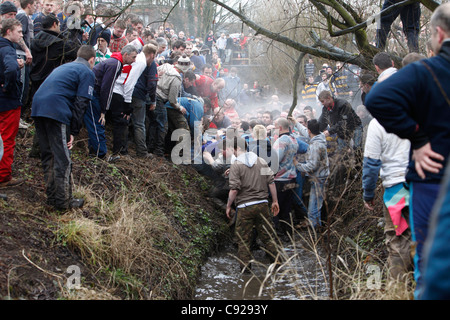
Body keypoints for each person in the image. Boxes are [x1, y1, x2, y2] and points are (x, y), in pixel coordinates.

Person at [365, 2, 450, 299]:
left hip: (423, 182)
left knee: (417, 250)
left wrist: (418, 138)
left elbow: (376, 99)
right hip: (413, 184)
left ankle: (401, 289)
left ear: (438, 34)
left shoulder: (427, 72)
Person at [31, 45, 95, 210]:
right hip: (56, 110)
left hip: (38, 107)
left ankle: (52, 197)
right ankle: (63, 202)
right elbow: (81, 103)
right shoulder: (87, 72)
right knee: (62, 159)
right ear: (92, 60)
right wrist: (73, 131)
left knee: (48, 155)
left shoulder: (65, 66)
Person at [362, 116, 412, 281]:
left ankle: (399, 289)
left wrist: (368, 194)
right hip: (423, 185)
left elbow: (371, 162)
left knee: (397, 242)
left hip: (395, 190)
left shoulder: (378, 123)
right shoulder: (420, 111)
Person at [226, 136, 280, 272]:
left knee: (243, 241)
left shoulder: (236, 165)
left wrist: (228, 206)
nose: (232, 153)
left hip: (244, 207)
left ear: (237, 148)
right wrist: (275, 201)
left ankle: (246, 272)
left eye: (233, 150)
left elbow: (234, 189)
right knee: (268, 237)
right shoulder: (261, 161)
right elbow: (271, 182)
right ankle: (278, 265)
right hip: (262, 205)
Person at [0, 18, 24, 188]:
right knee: (7, 138)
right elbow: (10, 69)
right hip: (8, 101)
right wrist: (8, 88)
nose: (21, 35)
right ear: (9, 31)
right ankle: (3, 176)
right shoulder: (8, 49)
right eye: (19, 31)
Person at [293, 119, 329, 228]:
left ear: (310, 131)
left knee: (314, 205)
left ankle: (315, 229)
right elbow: (305, 131)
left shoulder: (315, 145)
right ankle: (316, 226)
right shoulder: (320, 136)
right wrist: (295, 122)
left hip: (319, 178)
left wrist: (297, 164)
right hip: (321, 176)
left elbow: (312, 165)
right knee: (316, 203)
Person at [271, 117, 299, 236]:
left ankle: (278, 234)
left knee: (277, 207)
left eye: (275, 127)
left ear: (280, 128)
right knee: (287, 208)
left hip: (280, 179)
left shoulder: (282, 140)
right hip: (292, 177)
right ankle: (288, 233)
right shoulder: (294, 139)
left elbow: (275, 159)